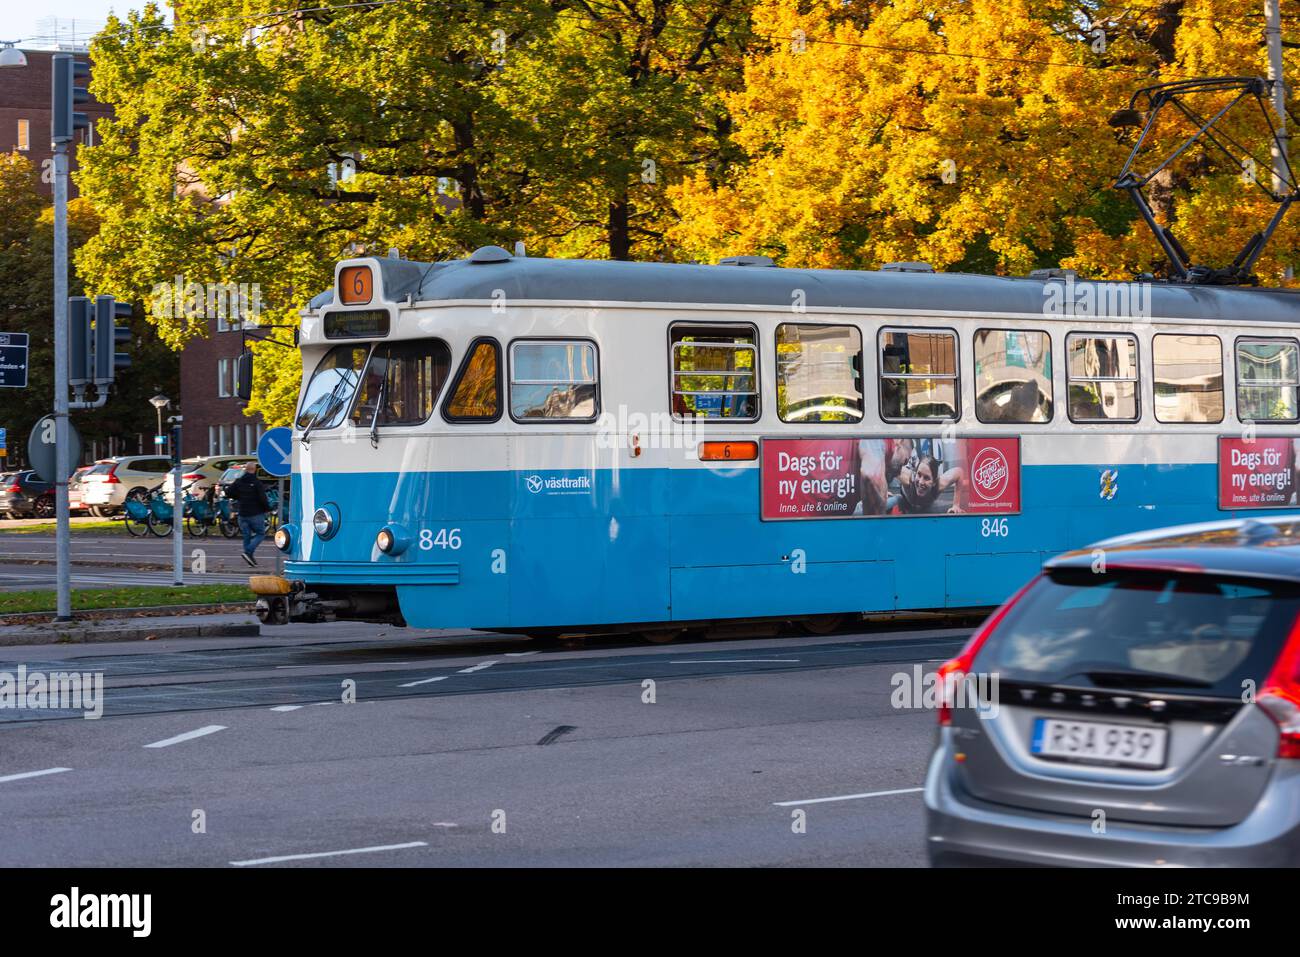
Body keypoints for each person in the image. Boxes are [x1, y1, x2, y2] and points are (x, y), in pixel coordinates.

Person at [228, 462, 272, 566]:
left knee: (246, 535)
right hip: (255, 513)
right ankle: (248, 552)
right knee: (260, 533)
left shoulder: (239, 481)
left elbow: (229, 492)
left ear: (245, 469)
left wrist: (239, 496)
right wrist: (267, 508)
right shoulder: (256, 483)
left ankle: (249, 558)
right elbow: (262, 498)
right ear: (254, 470)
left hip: (242, 513)